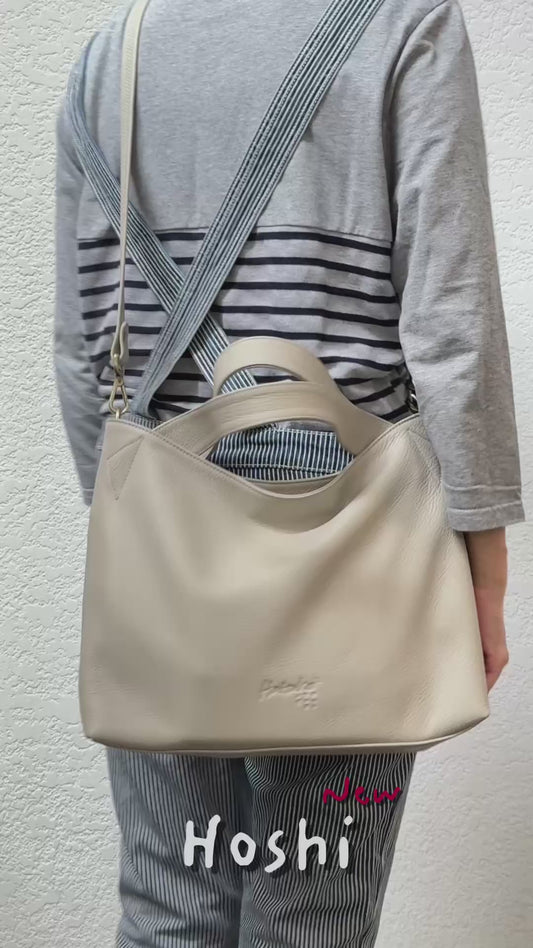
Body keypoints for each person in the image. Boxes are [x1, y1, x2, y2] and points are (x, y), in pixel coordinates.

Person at [54, 0, 525, 944]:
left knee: (169, 905)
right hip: (351, 517)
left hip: (163, 518)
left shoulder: (109, 59)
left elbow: (82, 350)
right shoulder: (405, 26)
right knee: (312, 908)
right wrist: (480, 562)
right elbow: (449, 322)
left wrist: (136, 534)